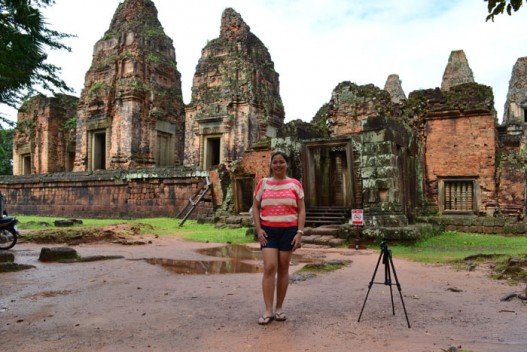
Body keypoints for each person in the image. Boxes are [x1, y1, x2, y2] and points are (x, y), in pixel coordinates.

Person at [252, 151, 306, 325]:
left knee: (283, 268)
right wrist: (258, 229)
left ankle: (279, 307)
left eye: (281, 162)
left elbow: (302, 209)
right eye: (275, 162)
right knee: (270, 267)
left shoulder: (295, 184)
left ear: (287, 164)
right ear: (271, 165)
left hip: (289, 231)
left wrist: (300, 232)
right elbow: (255, 206)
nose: (278, 165)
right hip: (268, 230)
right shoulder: (264, 184)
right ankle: (268, 310)